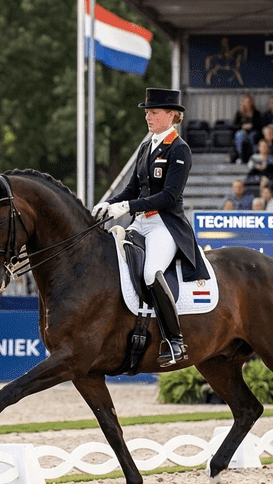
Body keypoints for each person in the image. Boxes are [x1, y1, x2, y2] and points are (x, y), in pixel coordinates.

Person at [92, 87, 208, 366]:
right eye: (147, 112)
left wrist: (127, 207)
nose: (148, 117)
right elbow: (131, 189)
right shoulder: (146, 147)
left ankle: (175, 341)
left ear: (171, 115)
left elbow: (169, 196)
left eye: (154, 112)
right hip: (140, 222)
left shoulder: (179, 149)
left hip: (164, 225)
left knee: (151, 273)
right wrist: (109, 204)